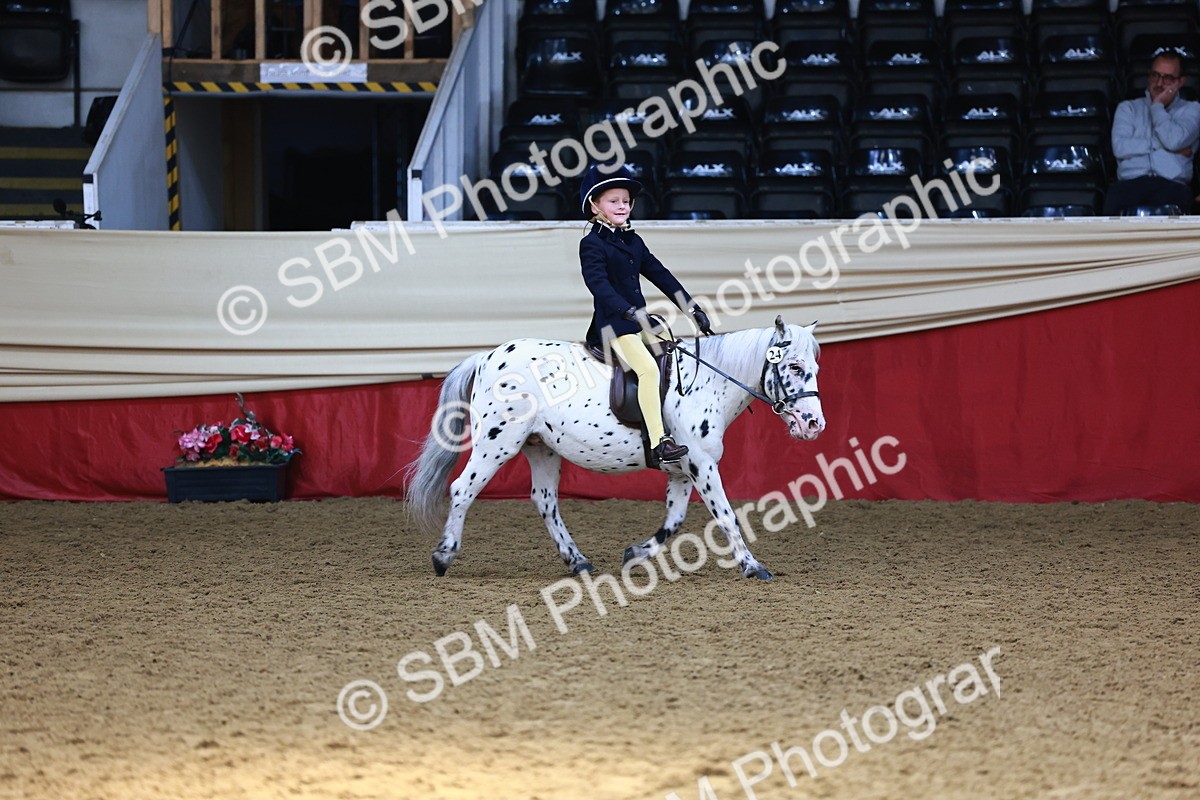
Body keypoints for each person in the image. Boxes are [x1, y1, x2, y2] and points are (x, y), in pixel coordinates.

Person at [578, 163, 713, 465]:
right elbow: (597, 284)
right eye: (614, 201)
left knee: (677, 359)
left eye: (626, 201)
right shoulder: (591, 243)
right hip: (614, 325)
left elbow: (660, 274)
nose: (622, 206)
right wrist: (626, 311)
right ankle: (658, 442)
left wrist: (692, 308)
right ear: (595, 205)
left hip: (640, 321)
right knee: (648, 370)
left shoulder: (633, 241)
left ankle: (679, 422)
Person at [1104, 50, 1200, 215]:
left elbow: (1173, 141)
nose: (1159, 83)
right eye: (1155, 75)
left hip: (1172, 186)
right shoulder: (1128, 108)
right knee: (1113, 197)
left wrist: (1157, 106)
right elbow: (1120, 148)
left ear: (1180, 82)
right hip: (1130, 184)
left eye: (1168, 78)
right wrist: (1162, 147)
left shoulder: (1192, 110)